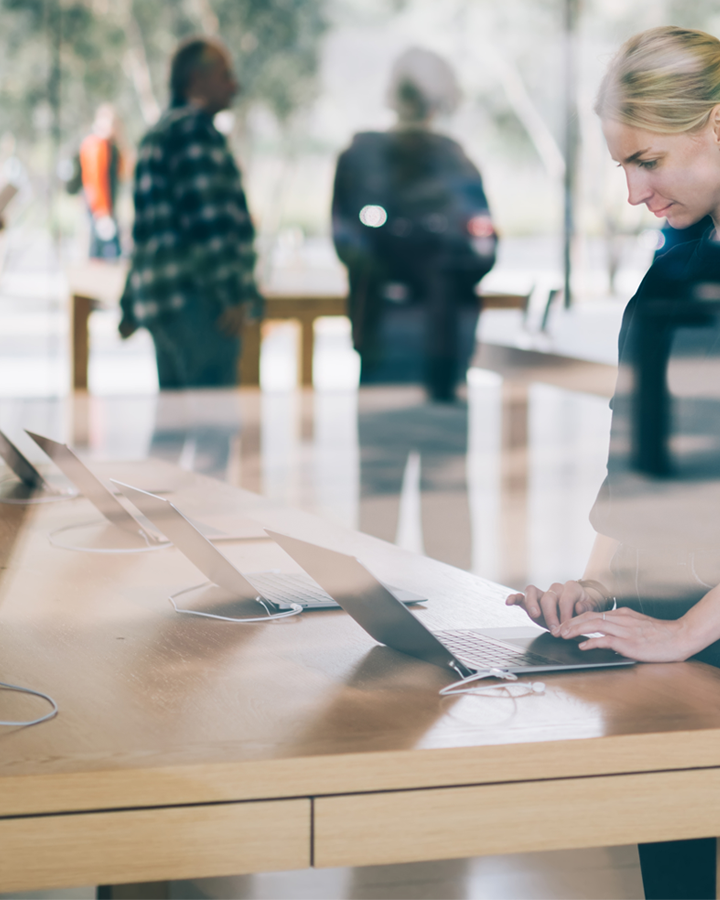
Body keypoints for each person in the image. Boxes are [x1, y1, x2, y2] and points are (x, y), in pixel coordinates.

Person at [506, 26, 720, 900]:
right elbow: (638, 469)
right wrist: (598, 590)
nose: (633, 193)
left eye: (648, 161)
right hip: (671, 628)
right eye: (620, 169)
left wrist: (687, 632)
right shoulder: (672, 273)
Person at [332, 47, 497, 402]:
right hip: (427, 331)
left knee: (390, 446)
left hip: (415, 331)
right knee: (416, 446)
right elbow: (483, 247)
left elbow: (347, 239)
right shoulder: (453, 159)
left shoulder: (363, 156)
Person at [119, 37, 262, 389]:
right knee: (213, 428)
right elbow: (208, 222)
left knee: (173, 428)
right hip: (199, 302)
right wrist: (232, 293)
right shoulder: (194, 131)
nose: (234, 85)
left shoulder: (156, 134)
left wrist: (128, 305)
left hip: (162, 301)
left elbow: (143, 232)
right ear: (196, 79)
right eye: (225, 75)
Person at [79, 104, 125, 260]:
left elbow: (124, 171)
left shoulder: (112, 146)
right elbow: (94, 180)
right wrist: (102, 211)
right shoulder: (95, 145)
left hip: (107, 209)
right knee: (103, 253)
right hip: (98, 210)